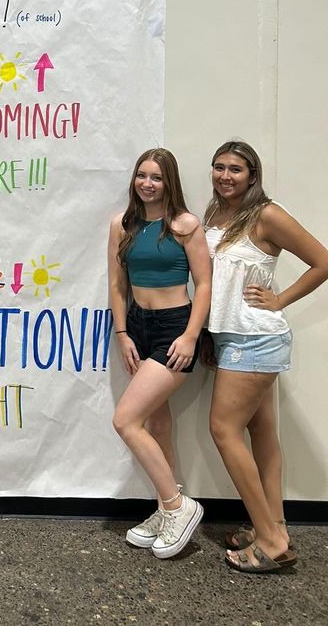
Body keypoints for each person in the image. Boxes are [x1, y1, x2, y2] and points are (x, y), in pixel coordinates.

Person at [205, 139, 328, 573]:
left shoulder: (266, 214)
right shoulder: (215, 215)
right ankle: (273, 523)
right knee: (262, 433)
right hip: (230, 338)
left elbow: (322, 261)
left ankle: (272, 543)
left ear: (252, 176)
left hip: (254, 338)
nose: (225, 175)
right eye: (219, 167)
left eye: (235, 169)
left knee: (222, 428)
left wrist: (281, 300)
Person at [109, 148, 211, 558]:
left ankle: (177, 505)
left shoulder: (186, 226)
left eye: (156, 177)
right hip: (138, 326)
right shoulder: (123, 224)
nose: (147, 184)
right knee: (156, 421)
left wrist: (190, 336)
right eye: (141, 175)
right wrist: (122, 333)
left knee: (125, 420)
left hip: (174, 328)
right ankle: (163, 507)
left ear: (170, 182)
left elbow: (203, 285)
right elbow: (117, 286)